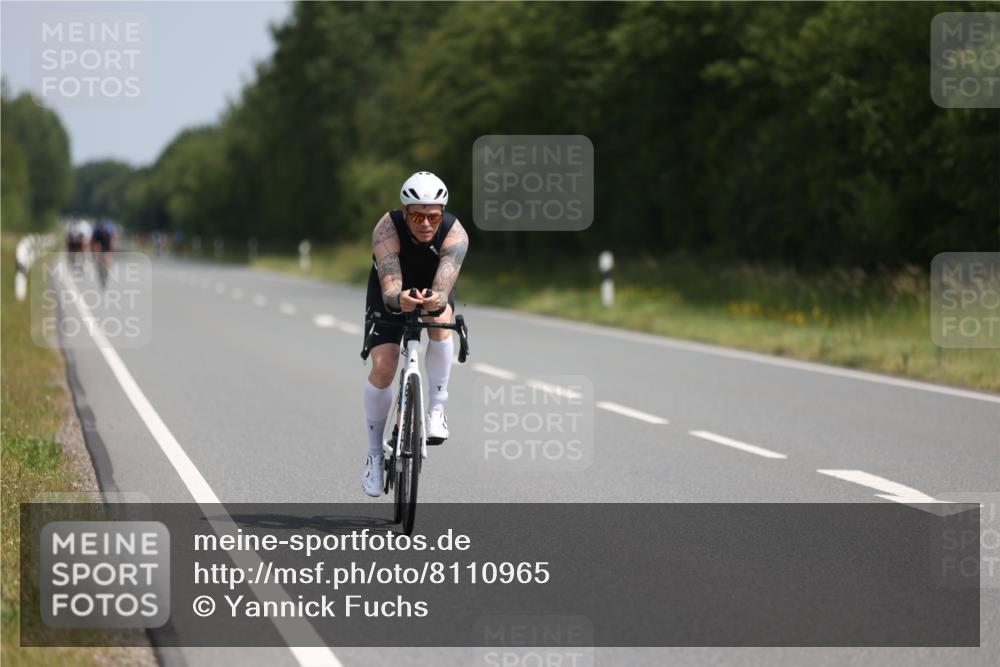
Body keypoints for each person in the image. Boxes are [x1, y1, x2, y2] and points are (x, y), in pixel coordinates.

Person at [361, 171, 469, 497]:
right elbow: (391, 286)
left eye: (433, 217)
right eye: (418, 216)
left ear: (442, 215)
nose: (425, 224)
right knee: (384, 365)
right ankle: (375, 455)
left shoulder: (455, 234)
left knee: (441, 319)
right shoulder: (386, 229)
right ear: (405, 213)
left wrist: (435, 301)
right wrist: (399, 298)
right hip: (391, 286)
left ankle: (437, 408)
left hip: (433, 283)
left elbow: (443, 286)